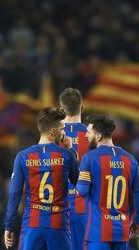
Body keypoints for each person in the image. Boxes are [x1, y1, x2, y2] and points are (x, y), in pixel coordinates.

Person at [4, 107, 79, 250]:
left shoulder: (23, 156)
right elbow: (79, 182)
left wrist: (9, 225)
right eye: (62, 129)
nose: (64, 133)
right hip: (58, 226)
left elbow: (15, 194)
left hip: (32, 226)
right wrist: (71, 149)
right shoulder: (66, 156)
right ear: (53, 131)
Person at [76, 115, 139, 250]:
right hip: (122, 231)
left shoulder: (89, 158)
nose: (86, 135)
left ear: (98, 136)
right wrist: (137, 221)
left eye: (89, 133)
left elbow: (82, 191)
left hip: (98, 232)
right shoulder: (130, 159)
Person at [59, 88, 89, 250]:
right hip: (85, 210)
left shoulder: (51, 137)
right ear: (82, 108)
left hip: (55, 212)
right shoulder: (93, 136)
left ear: (61, 110)